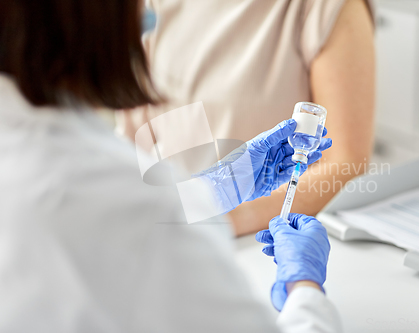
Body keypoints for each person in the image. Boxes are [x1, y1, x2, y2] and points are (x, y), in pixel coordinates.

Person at [0, 0, 341, 332]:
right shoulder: (112, 194)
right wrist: (305, 287)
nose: (147, 12)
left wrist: (224, 183)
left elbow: (111, 216)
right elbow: (124, 215)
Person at [118, 0, 376, 235]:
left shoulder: (325, 8)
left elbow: (346, 166)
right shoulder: (156, 7)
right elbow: (129, 144)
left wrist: (220, 217)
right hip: (156, 227)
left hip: (243, 240)